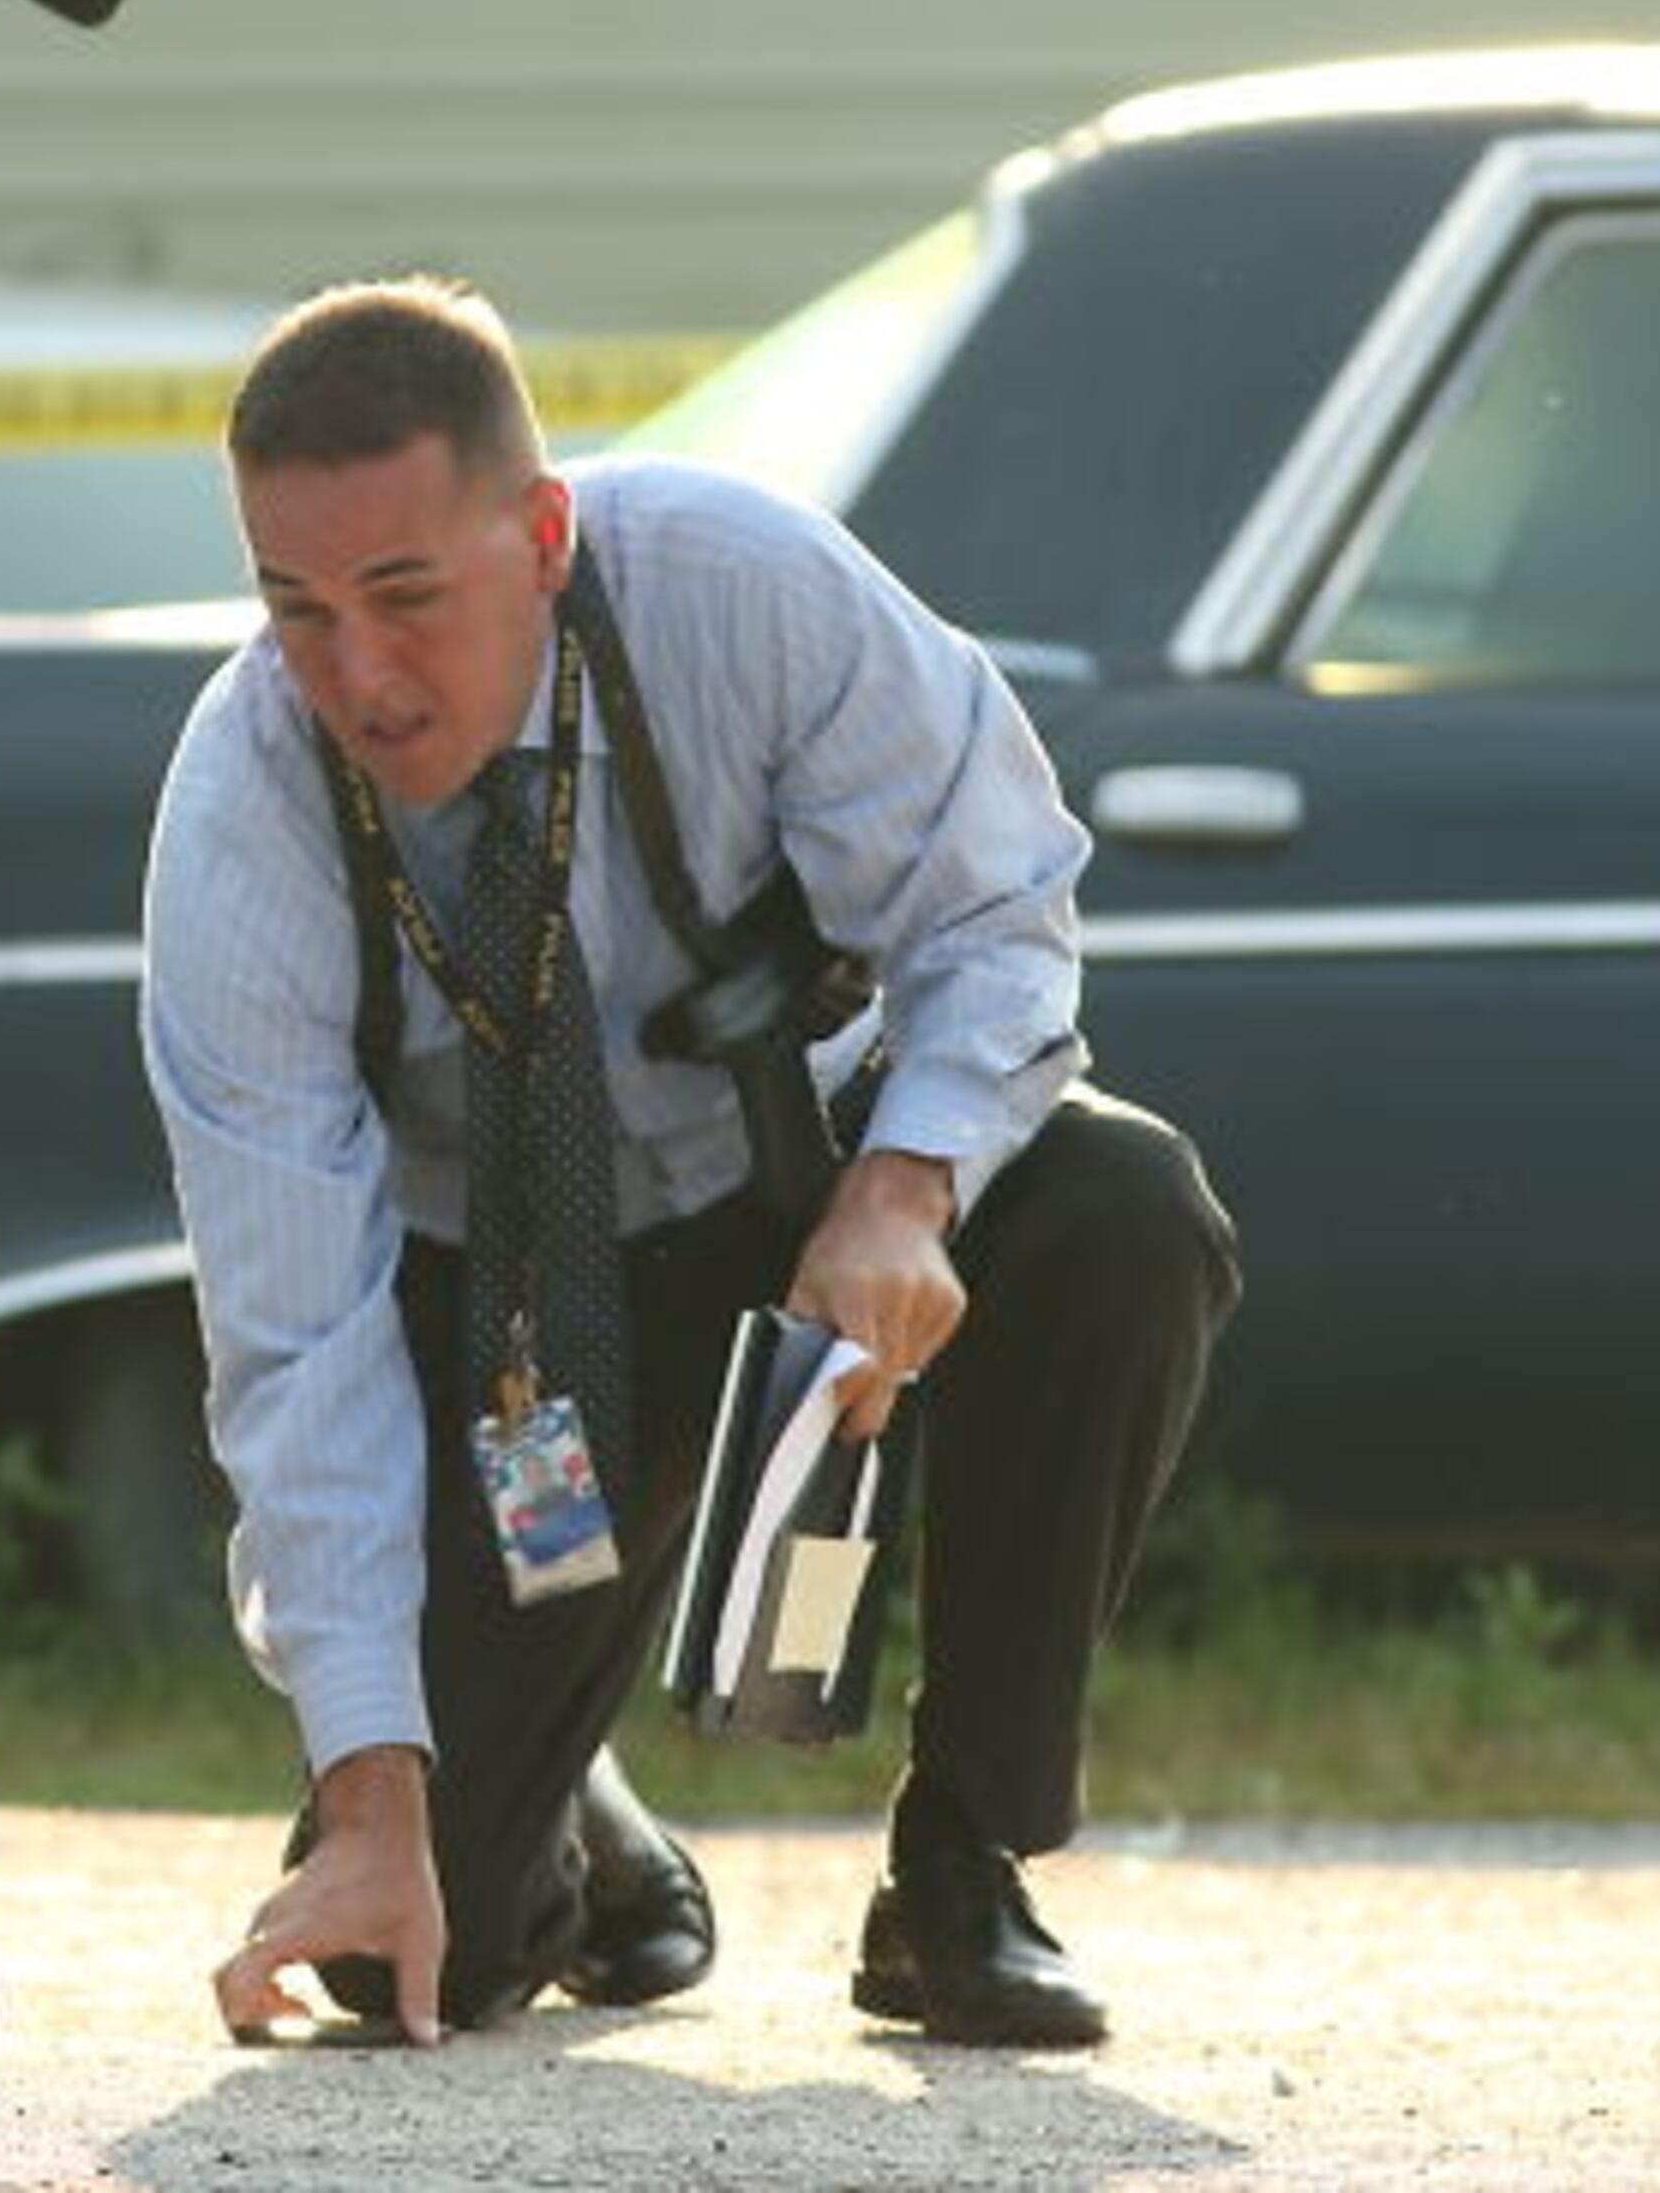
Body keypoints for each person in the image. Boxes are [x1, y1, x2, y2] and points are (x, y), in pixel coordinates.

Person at [140, 277, 1240, 2051]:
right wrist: (370, 1795)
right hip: (507, 1320)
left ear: (544, 531)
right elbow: (295, 1339)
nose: (357, 675)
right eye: (295, 606)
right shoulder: (243, 822)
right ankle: (570, 1810)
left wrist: (907, 1186)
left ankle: (961, 1872)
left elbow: (997, 909)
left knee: (1123, 1209)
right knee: (410, 1960)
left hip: (805, 1214)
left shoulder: (740, 590)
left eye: (407, 595)